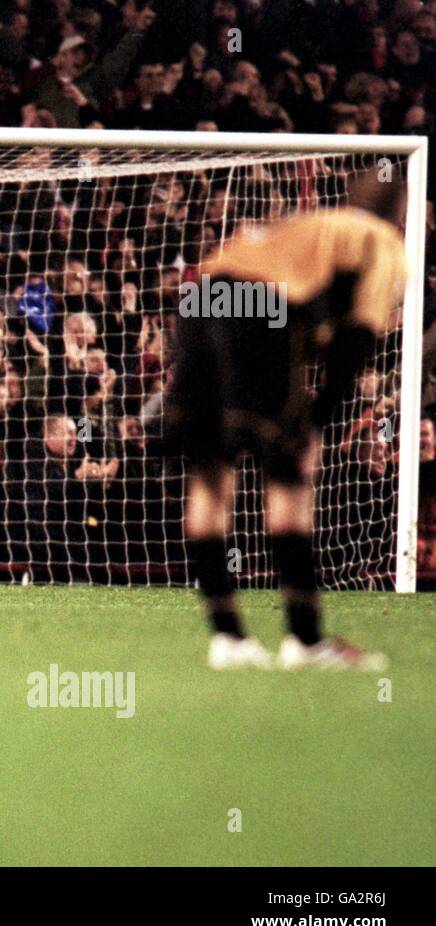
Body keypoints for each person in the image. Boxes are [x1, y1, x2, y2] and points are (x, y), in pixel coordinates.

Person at [164, 174, 407, 670]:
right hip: (262, 310)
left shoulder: (307, 227)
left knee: (210, 474)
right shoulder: (381, 242)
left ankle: (228, 639)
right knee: (287, 475)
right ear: (400, 215)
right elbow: (355, 343)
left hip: (199, 299)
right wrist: (316, 425)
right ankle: (305, 640)